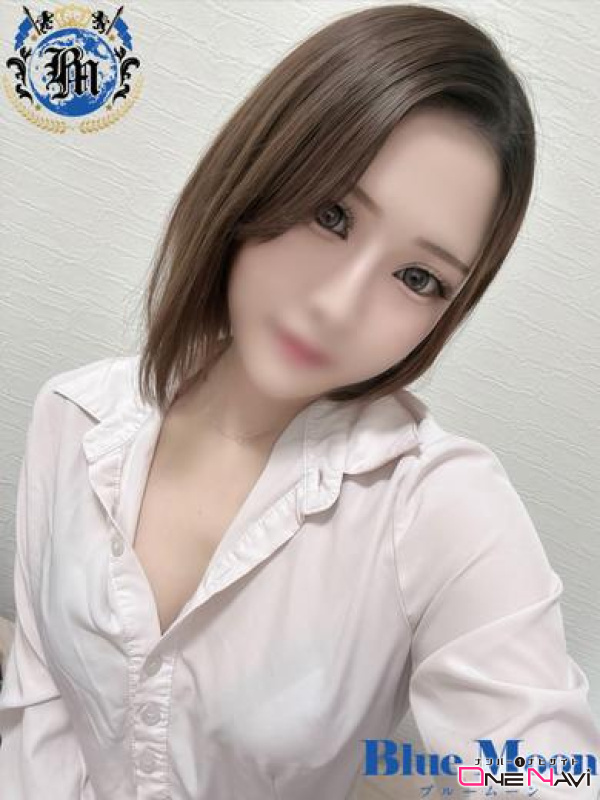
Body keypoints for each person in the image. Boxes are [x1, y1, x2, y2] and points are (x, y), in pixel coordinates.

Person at [1, 4, 599, 799]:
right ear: (260, 170)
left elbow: (549, 769)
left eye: (417, 277)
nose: (339, 306)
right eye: (332, 215)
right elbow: (40, 700)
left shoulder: (438, 506)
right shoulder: (72, 416)